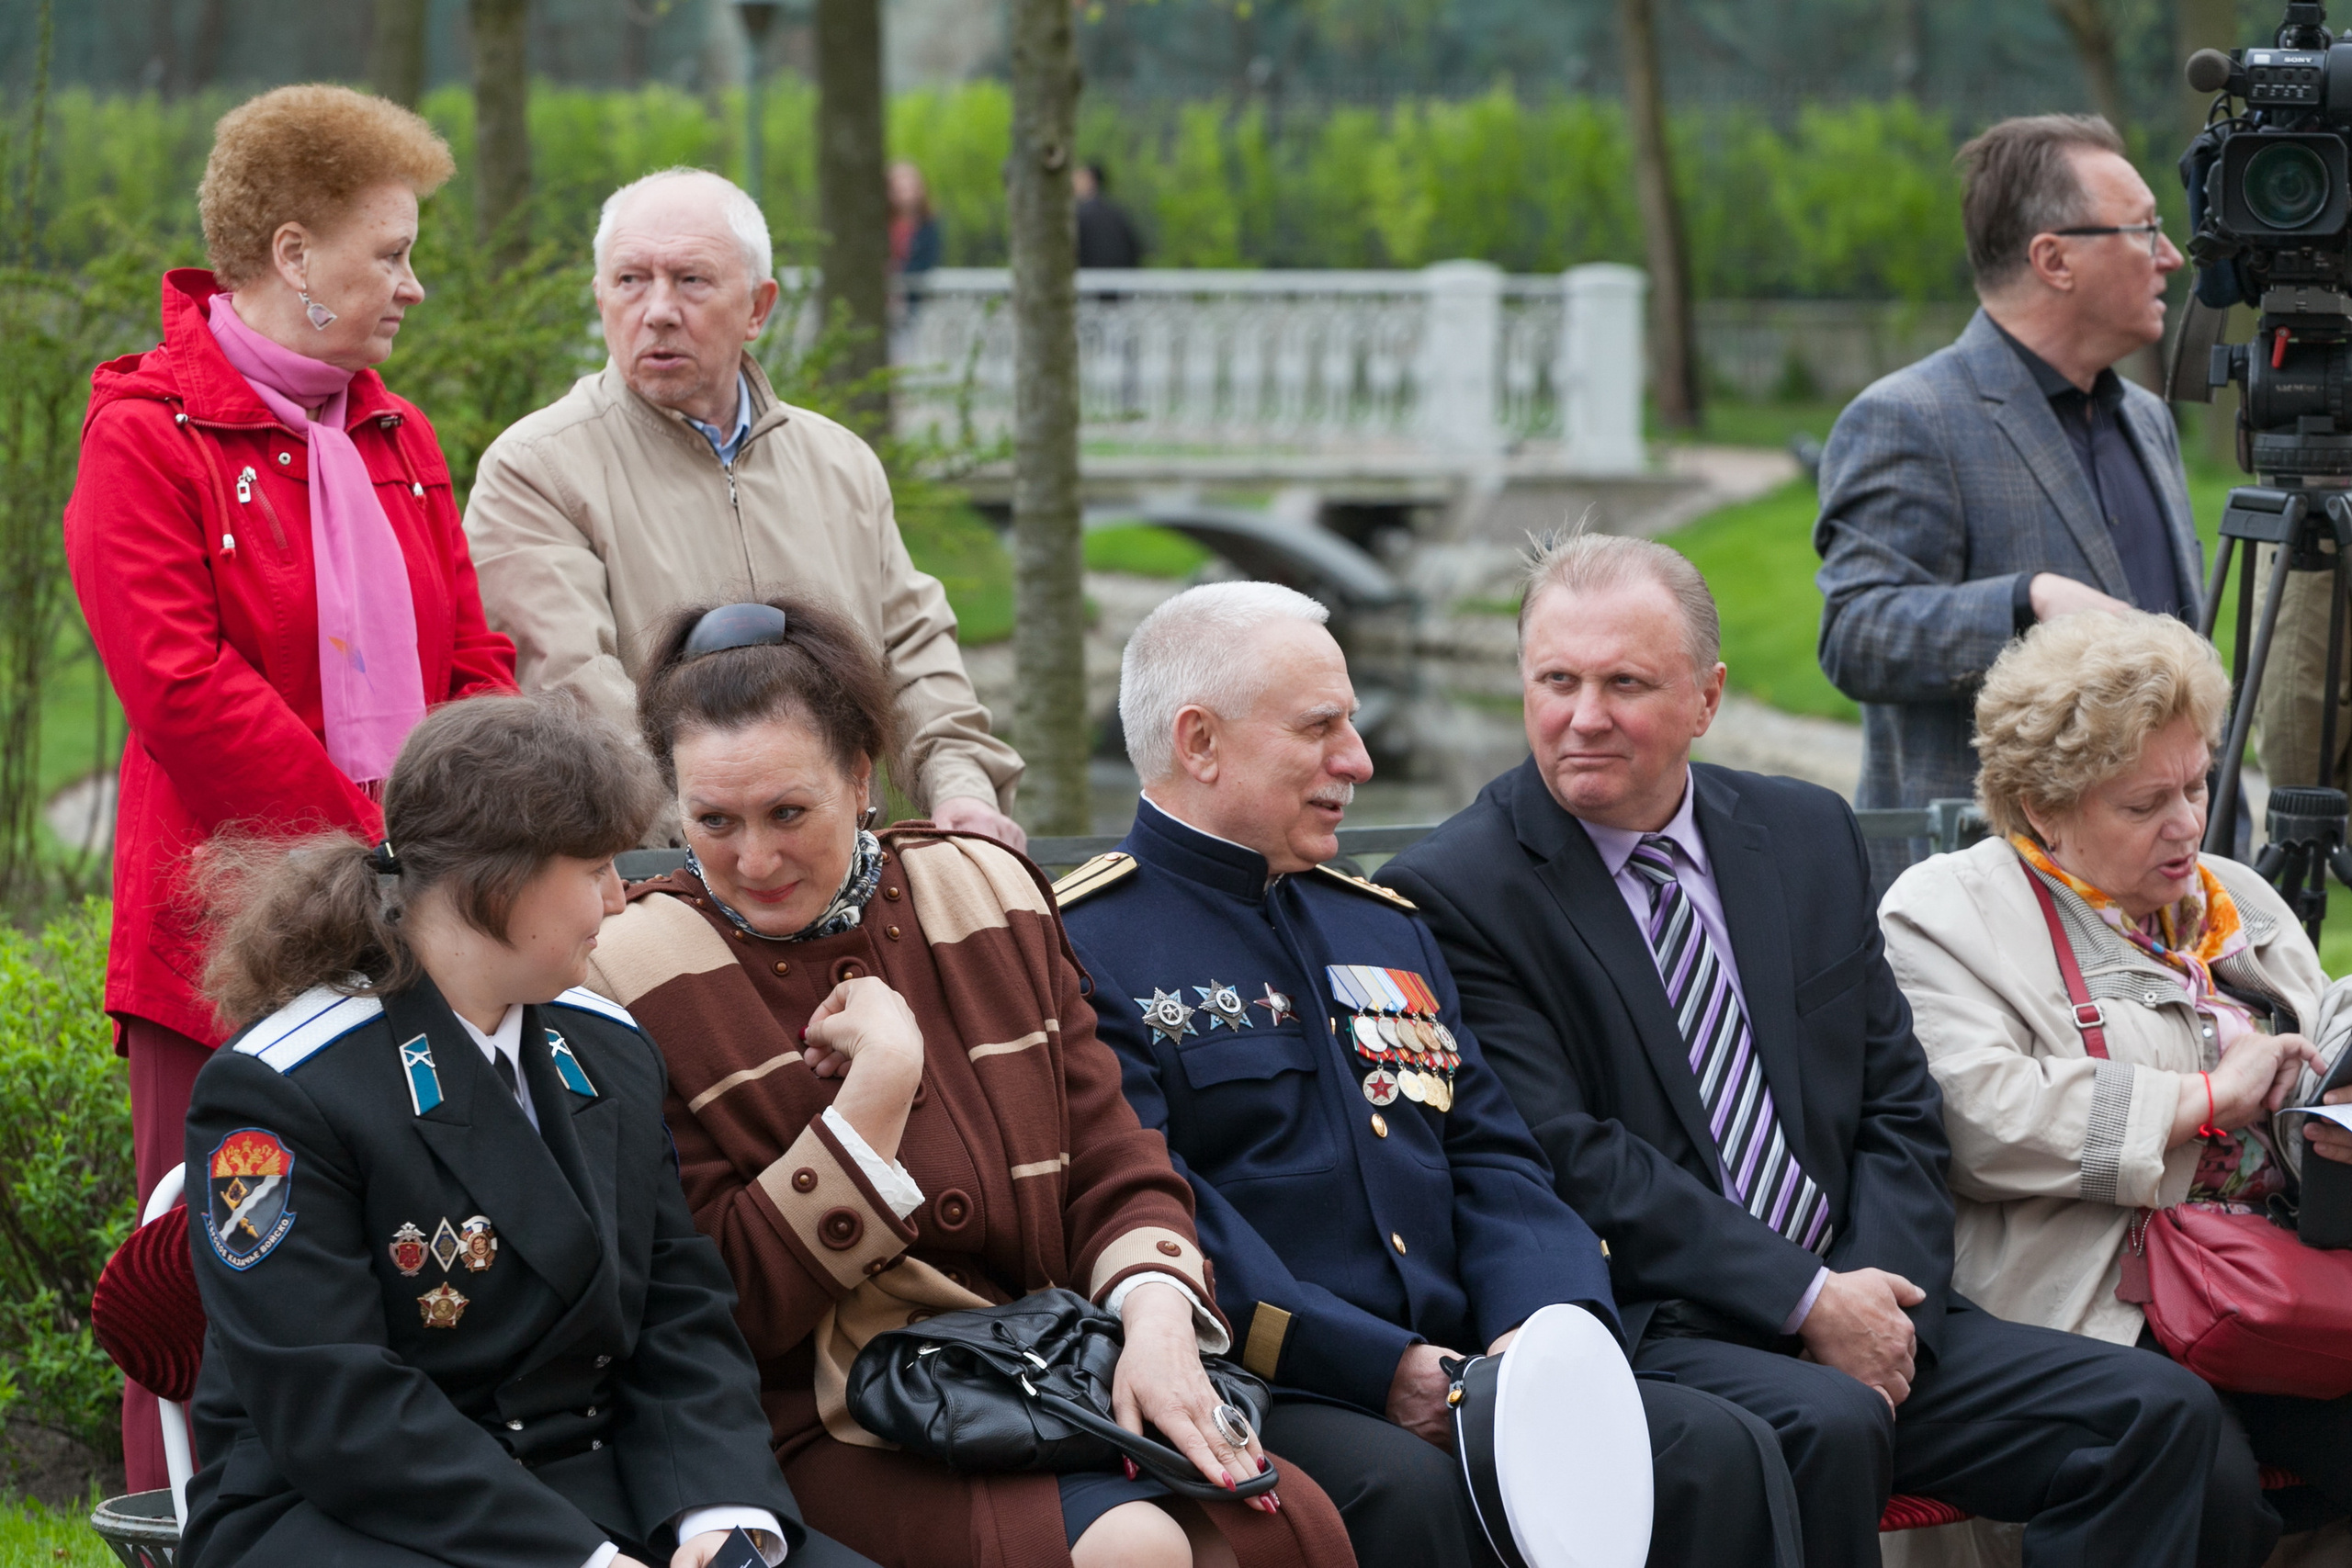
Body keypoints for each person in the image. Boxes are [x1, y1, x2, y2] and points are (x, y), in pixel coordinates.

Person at [1381, 533, 2249, 1568]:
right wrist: (1806, 1301)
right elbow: (1573, 1156)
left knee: (2155, 1419)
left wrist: (1878, 1300)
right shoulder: (1460, 889)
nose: (1584, 717)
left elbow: (1894, 1098)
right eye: (1555, 680)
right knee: (1826, 1426)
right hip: (1664, 1319)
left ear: (1706, 699)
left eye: (1625, 683)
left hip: (1863, 1296)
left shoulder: (1802, 832)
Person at [579, 592, 1353, 1568]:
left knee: (1284, 1530)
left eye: (788, 812)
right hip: (828, 1414)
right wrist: (875, 1097)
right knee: (1135, 1548)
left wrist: (1156, 1312)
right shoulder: (632, 972)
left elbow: (1111, 1152)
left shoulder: (981, 889)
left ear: (862, 776)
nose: (754, 858)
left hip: (1051, 1366)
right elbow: (721, 1304)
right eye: (712, 820)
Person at [1057, 581, 1800, 1568]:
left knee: (1719, 1450)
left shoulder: (1379, 925)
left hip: (1475, 1362)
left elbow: (1494, 1156)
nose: (1356, 761)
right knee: (1407, 1495)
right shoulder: (1081, 946)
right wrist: (1385, 1368)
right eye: (1320, 729)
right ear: (1199, 743)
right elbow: (1160, 1207)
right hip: (1282, 1376)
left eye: (1352, 725)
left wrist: (1545, 1333)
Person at [61, 83, 515, 1488]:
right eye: (389, 252)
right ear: (295, 249)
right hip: (227, 941)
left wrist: (488, 816)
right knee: (210, 1275)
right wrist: (390, 848)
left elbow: (472, 652)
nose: (413, 283)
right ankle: (205, 1519)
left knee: (411, 1259)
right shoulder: (145, 436)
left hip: (421, 916)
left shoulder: (400, 437)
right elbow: (183, 690)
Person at [179, 692, 872, 1568]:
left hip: (596, 1485)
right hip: (351, 1516)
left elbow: (678, 1310)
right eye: (594, 869)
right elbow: (335, 1408)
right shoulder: (282, 1088)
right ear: (491, 881)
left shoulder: (608, 1045)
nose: (620, 900)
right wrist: (586, 1562)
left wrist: (720, 1518)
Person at [1881, 610, 2352, 1558]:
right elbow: (1978, 1116)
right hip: (2092, 1297)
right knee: (2196, 1471)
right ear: (2042, 808)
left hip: (2273, 1281)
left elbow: (2319, 1011)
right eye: (2144, 805)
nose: (2188, 825)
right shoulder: (1945, 912)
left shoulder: (2230, 895)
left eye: (2197, 783)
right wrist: (2206, 1100)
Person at [463, 168, 1024, 850]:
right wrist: (722, 844)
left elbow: (912, 650)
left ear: (758, 308)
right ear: (600, 298)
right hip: (659, 890)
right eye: (630, 280)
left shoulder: (840, 463)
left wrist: (960, 787)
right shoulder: (537, 467)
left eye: (691, 279)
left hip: (846, 878)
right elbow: (573, 697)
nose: (659, 309)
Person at [1812, 114, 2199, 897]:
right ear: (2054, 258)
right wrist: (2027, 605)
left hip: (2167, 907)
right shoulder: (1910, 415)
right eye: (2144, 230)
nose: (2171, 256)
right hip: (1988, 911)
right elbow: (1856, 633)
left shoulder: (2148, 420)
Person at [1075, 164, 1147, 271]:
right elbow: (1137, 249)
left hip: (1089, 282)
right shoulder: (1119, 213)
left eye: (1079, 178)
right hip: (1122, 282)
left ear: (1091, 180)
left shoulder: (1080, 215)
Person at [888, 161, 942, 279]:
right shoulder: (883, 226)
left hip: (916, 291)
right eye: (899, 190)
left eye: (909, 188)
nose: (905, 196)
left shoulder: (928, 224)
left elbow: (929, 260)